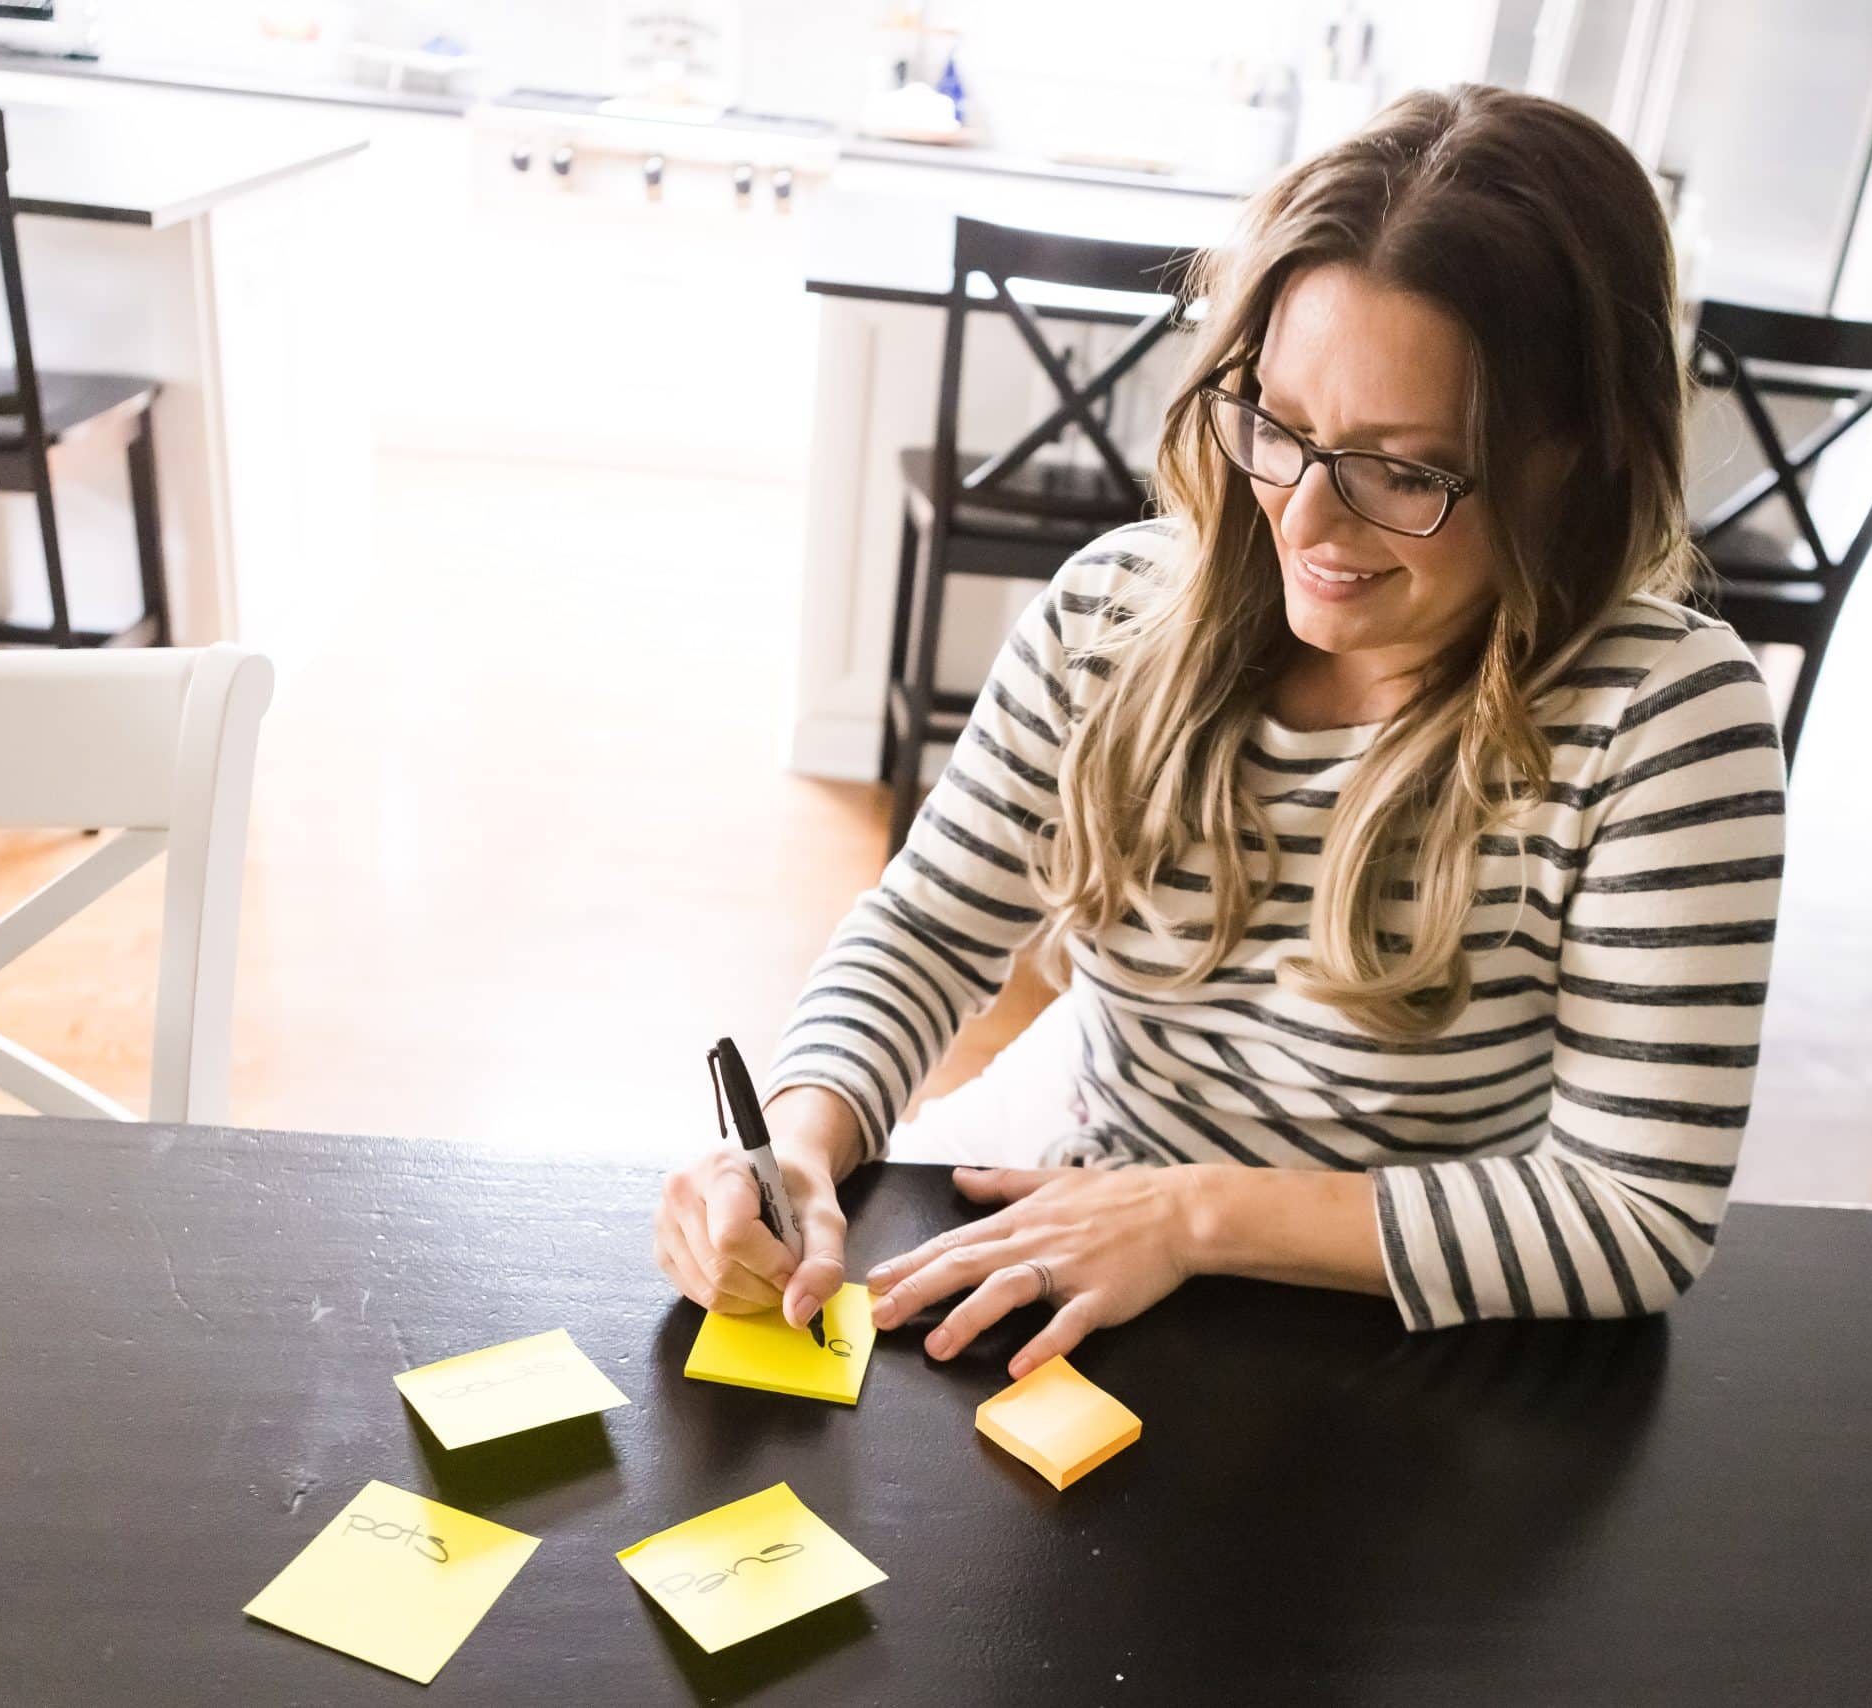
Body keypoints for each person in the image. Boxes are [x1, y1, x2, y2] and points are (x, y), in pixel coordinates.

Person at [654, 85, 1785, 1378]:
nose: (1302, 519)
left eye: (1402, 469)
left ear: (1572, 454)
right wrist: (803, 1137)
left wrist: (1192, 1212)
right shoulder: (1109, 612)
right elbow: (928, 928)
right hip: (1081, 1218)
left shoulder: (1666, 721)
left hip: (1394, 1338)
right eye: (1275, 425)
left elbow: (1632, 1217)